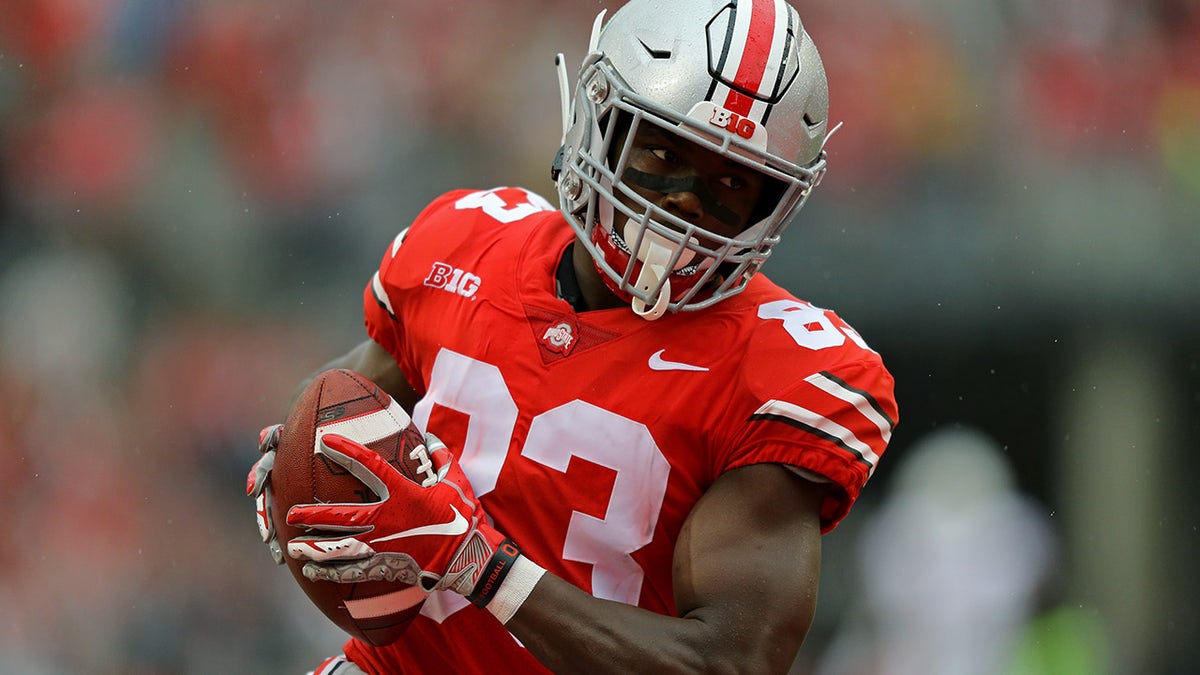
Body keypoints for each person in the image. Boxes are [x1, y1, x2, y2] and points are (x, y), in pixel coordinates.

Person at [248, 1, 897, 672]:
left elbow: (730, 661)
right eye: (663, 151)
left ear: (775, 204)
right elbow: (351, 403)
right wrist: (301, 447)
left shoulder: (781, 373)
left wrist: (477, 565)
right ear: (600, 120)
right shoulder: (467, 244)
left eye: (732, 181)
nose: (686, 199)